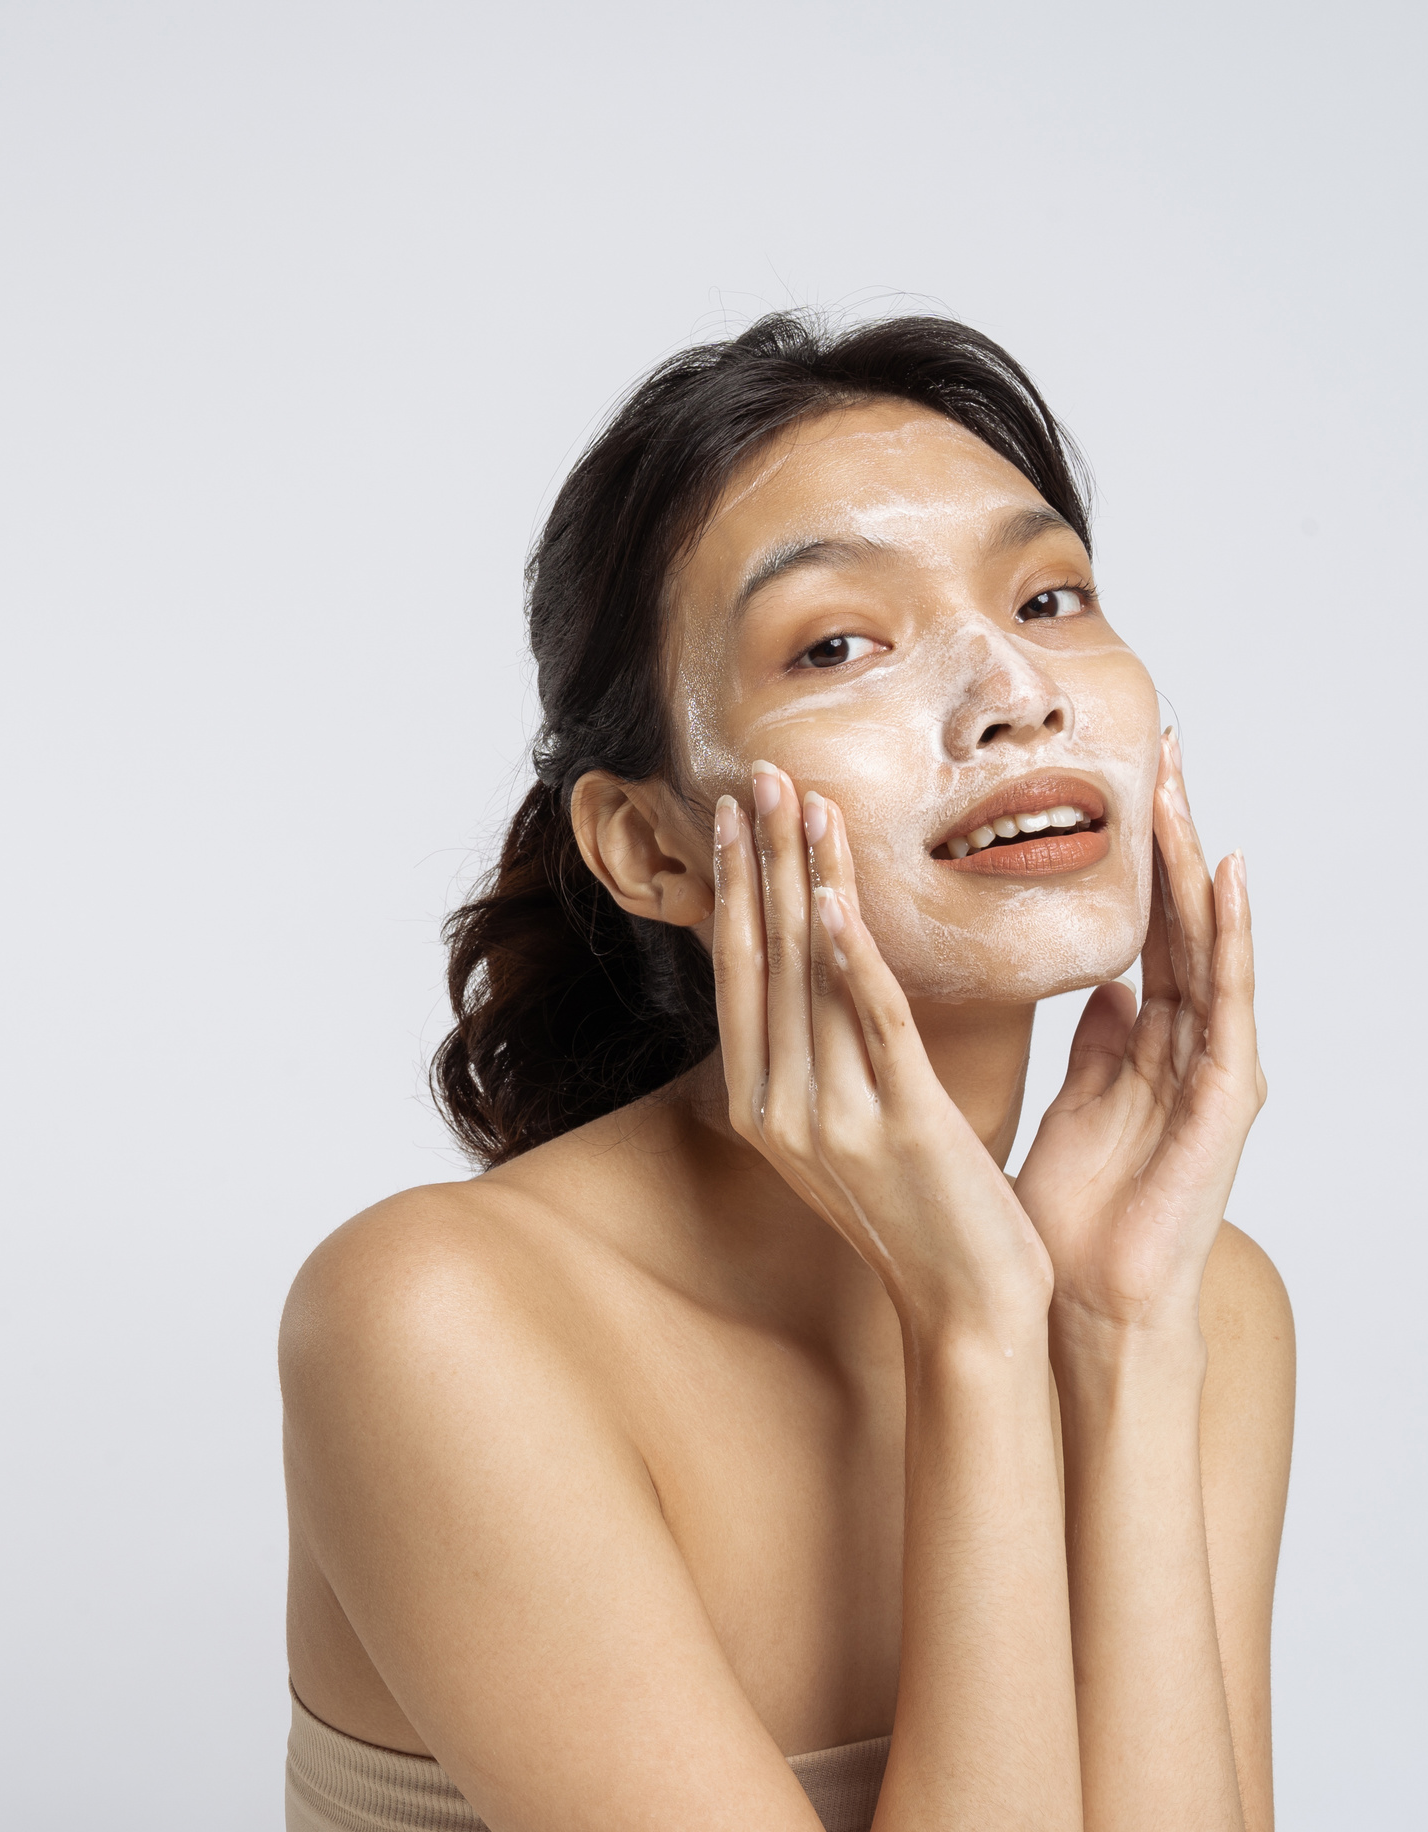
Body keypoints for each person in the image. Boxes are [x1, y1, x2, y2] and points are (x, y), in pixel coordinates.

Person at [279, 312, 1293, 1832]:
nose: (1017, 686)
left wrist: (1118, 1341)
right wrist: (971, 1331)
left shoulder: (1189, 1300)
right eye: (838, 642)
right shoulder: (439, 1322)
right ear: (654, 845)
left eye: (1051, 595)